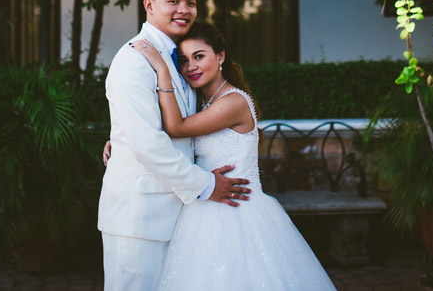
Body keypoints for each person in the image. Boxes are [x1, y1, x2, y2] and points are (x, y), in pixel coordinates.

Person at [131, 23, 336, 291]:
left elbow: (176, 127)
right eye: (183, 60)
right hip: (203, 207)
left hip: (238, 211)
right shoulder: (199, 101)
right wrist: (123, 140)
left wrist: (162, 70)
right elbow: (165, 131)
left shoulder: (232, 102)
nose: (191, 66)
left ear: (220, 56)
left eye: (199, 56)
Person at [98, 0, 251, 291]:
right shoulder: (133, 61)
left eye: (191, 3)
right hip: (140, 219)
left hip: (180, 218)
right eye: (174, 1)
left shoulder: (179, 60)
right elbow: (147, 145)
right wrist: (208, 185)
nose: (184, 10)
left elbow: (179, 127)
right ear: (149, 5)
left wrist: (118, 138)